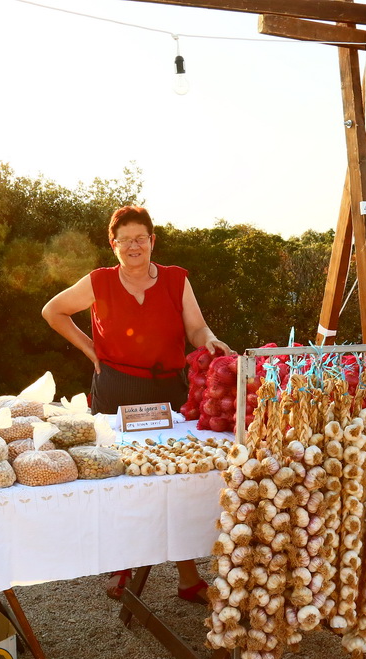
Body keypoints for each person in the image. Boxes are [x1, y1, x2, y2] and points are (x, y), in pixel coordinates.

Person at [42, 205, 232, 604]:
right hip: (116, 389)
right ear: (113, 245)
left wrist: (208, 341)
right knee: (120, 480)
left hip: (169, 392)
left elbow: (196, 327)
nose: (133, 245)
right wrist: (92, 351)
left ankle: (187, 577)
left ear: (152, 241)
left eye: (140, 238)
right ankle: (123, 568)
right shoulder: (98, 281)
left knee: (175, 479)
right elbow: (52, 311)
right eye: (124, 239)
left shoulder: (177, 279)